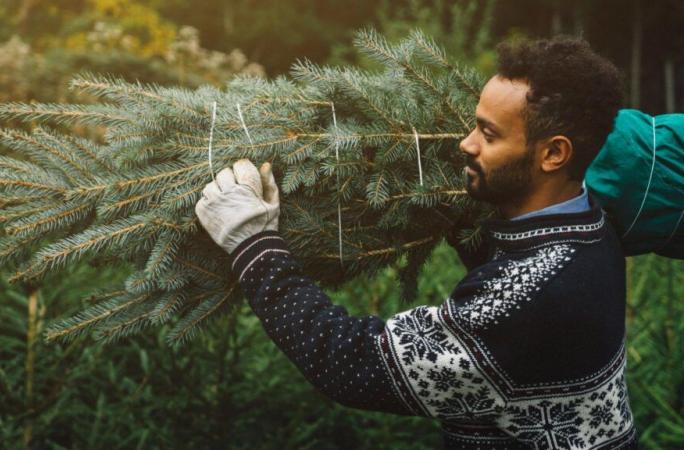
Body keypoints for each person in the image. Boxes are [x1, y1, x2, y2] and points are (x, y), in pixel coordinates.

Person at [195, 36, 638, 449]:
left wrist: (252, 241)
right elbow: (501, 250)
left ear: (553, 154)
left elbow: (349, 363)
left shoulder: (527, 301)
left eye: (489, 134)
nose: (466, 144)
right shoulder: (591, 226)